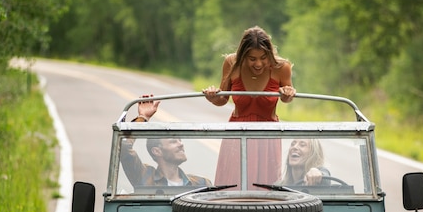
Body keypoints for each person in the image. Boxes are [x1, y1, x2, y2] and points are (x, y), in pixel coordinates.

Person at [202, 26, 296, 187]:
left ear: (270, 54)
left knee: (265, 190)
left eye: (263, 57)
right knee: (233, 188)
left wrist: (288, 94)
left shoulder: (282, 67)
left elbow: (287, 99)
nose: (258, 64)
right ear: (243, 55)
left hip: (268, 135)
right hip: (237, 133)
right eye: (252, 58)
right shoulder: (232, 63)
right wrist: (212, 97)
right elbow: (222, 99)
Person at [120, 96, 212, 188]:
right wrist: (143, 117)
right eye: (173, 142)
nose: (181, 144)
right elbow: (123, 146)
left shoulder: (201, 183)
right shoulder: (144, 176)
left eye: (180, 140)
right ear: (157, 151)